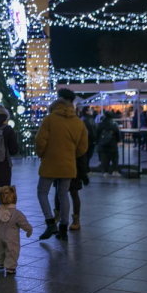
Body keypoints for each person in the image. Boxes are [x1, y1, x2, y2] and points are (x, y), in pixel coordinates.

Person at [35, 89, 87, 241]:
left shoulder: (49, 119)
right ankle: (64, 227)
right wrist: (71, 155)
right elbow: (83, 147)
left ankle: (51, 222)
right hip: (68, 164)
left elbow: (40, 141)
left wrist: (42, 154)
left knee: (42, 192)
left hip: (50, 163)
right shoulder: (78, 122)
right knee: (64, 194)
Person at [0, 186, 32, 275]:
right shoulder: (17, 213)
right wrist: (29, 230)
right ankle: (10, 267)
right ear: (14, 197)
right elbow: (24, 223)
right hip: (11, 237)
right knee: (12, 251)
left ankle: (0, 263)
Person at [95, 111, 121, 176]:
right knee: (114, 158)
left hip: (103, 144)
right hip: (112, 144)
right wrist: (118, 141)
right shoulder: (114, 124)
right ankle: (115, 171)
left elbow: (97, 134)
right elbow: (117, 134)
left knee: (104, 159)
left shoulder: (101, 124)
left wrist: (98, 141)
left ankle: (105, 172)